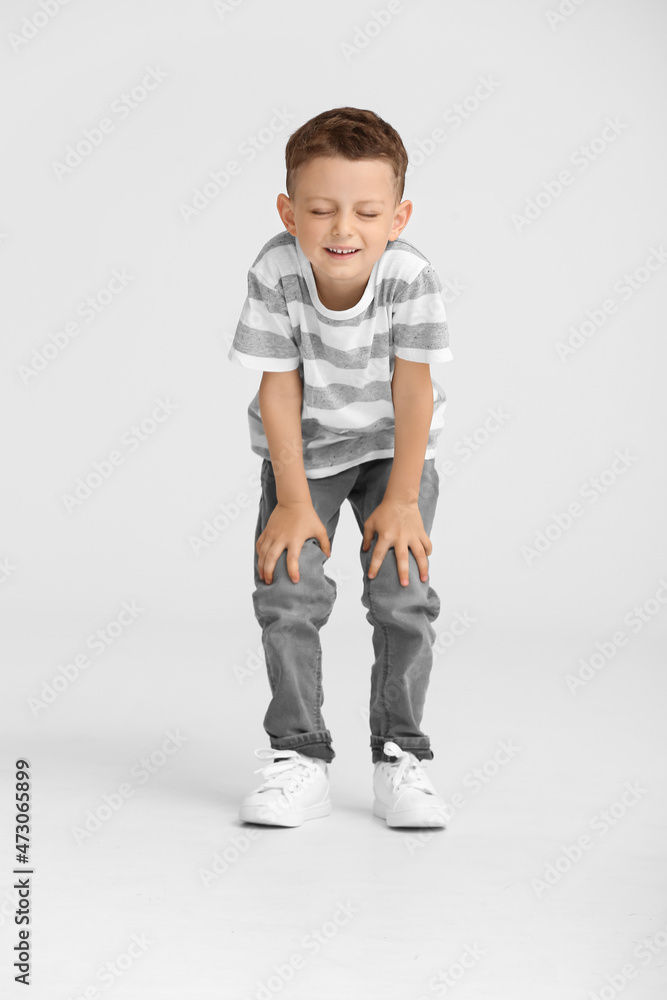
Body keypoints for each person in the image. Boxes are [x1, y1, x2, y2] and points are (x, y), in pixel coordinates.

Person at [227, 107, 453, 829]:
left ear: (397, 215)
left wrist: (405, 501)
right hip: (304, 452)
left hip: (395, 451)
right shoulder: (276, 270)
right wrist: (292, 501)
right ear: (289, 210)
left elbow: (412, 388)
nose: (341, 230)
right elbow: (278, 383)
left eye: (364, 211)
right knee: (288, 592)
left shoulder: (409, 276)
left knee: (402, 595)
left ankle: (400, 757)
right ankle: (298, 753)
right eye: (320, 210)